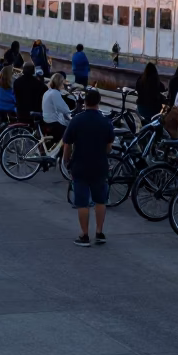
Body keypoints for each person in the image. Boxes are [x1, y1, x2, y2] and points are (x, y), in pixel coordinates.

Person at [62, 89, 114, 246]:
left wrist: (66, 160)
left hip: (80, 164)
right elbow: (109, 147)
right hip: (99, 165)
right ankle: (99, 232)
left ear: (84, 102)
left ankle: (84, 235)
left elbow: (67, 144)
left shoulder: (77, 120)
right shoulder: (105, 122)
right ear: (98, 102)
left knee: (82, 202)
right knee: (100, 200)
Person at [41, 72, 73, 142]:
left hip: (46, 119)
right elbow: (64, 109)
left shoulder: (48, 91)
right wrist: (71, 115)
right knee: (68, 130)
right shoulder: (55, 93)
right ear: (60, 82)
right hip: (52, 121)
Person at [13, 61, 47, 126]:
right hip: (33, 113)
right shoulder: (38, 84)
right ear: (33, 71)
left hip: (20, 111)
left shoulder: (17, 81)